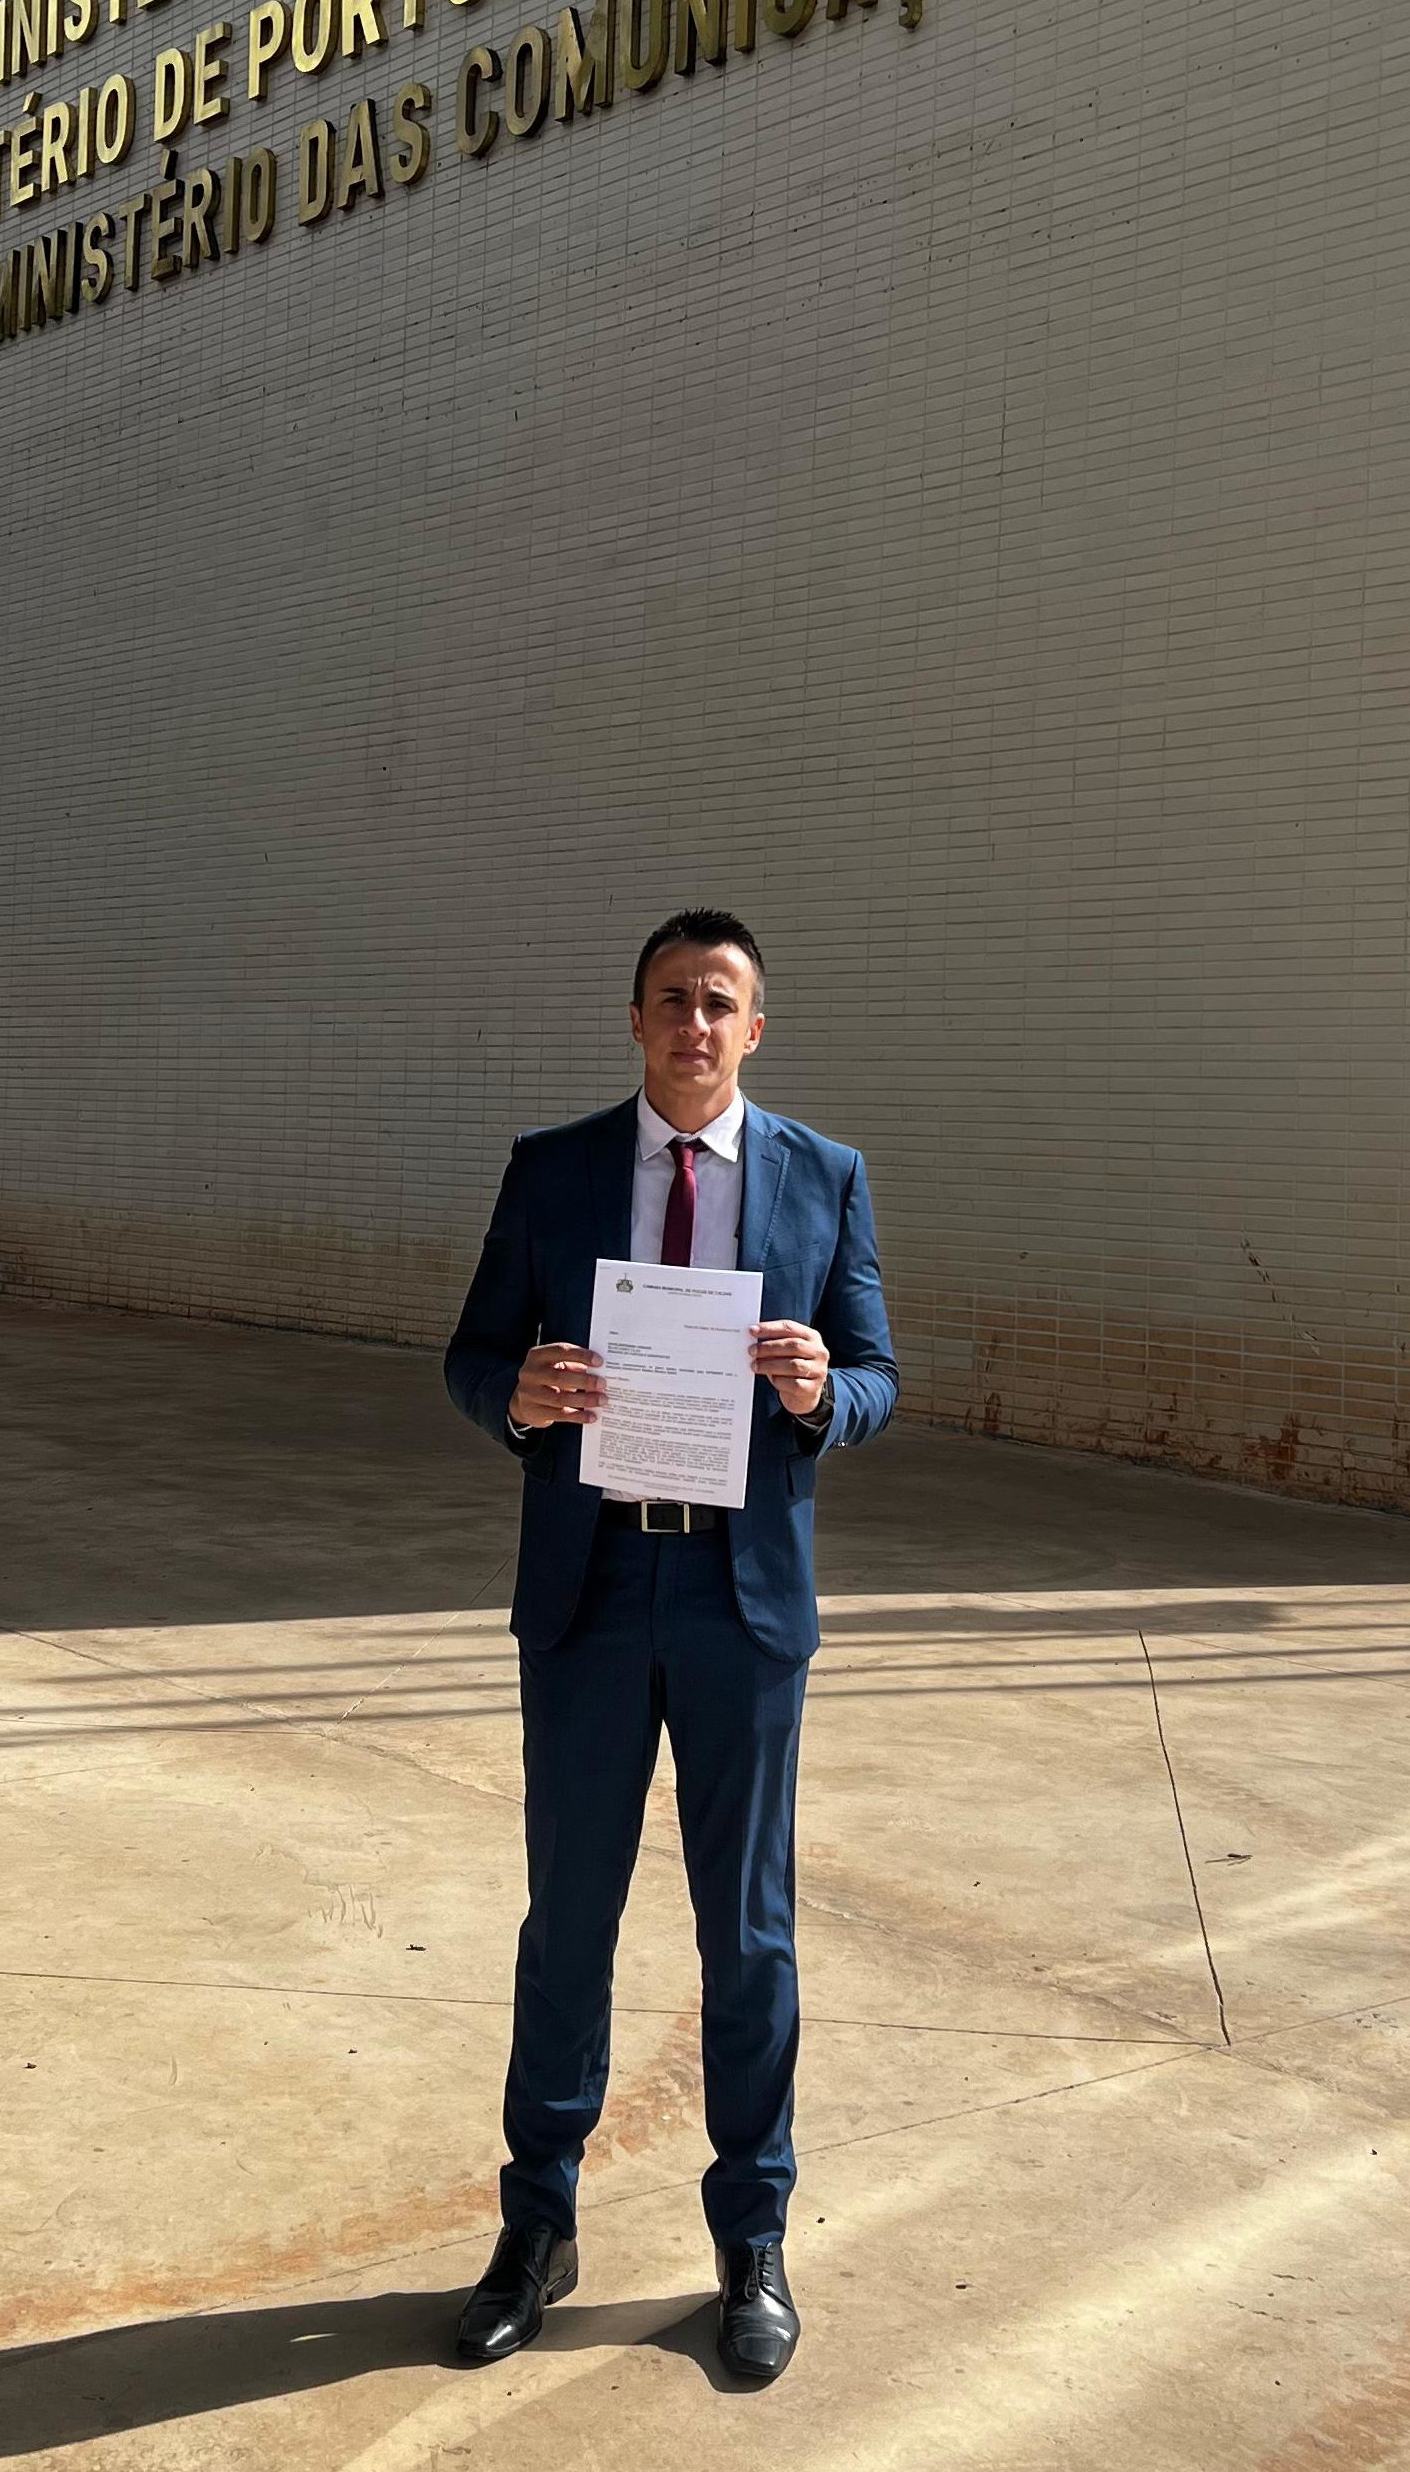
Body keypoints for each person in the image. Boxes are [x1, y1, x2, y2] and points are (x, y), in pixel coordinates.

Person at [444, 910, 897, 2385]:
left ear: (754, 1027)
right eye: (668, 1001)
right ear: (632, 1020)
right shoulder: (555, 1169)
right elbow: (469, 1355)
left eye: (719, 1002)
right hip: (587, 1594)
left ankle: (751, 2239)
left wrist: (831, 1386)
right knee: (564, 1922)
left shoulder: (823, 1178)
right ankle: (535, 2226)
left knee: (746, 1932)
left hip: (739, 1604)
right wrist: (520, 1392)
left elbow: (882, 1373)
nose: (692, 1024)